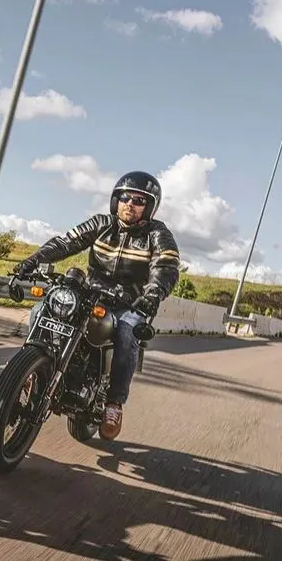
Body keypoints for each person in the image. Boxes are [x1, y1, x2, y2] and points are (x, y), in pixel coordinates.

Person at [13, 171, 180, 440]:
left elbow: (166, 266)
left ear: (149, 207)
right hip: (91, 294)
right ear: (116, 200)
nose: (130, 204)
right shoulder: (102, 223)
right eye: (125, 198)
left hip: (128, 303)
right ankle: (31, 371)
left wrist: (153, 294)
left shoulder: (157, 234)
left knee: (128, 332)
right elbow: (66, 242)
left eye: (139, 200)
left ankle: (114, 403)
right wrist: (32, 261)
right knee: (41, 310)